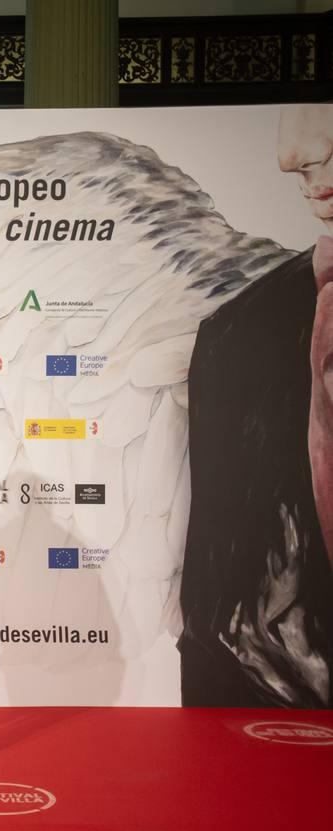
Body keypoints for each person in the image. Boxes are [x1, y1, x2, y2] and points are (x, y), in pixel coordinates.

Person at [180, 104, 333, 707]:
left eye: (328, 159)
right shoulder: (238, 326)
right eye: (301, 171)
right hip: (284, 652)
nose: (318, 184)